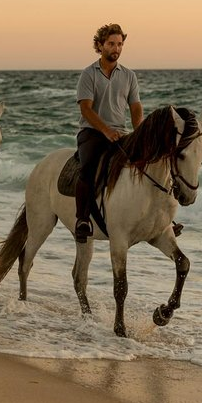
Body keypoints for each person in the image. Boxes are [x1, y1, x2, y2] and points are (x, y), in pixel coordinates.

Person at [74, 23, 143, 243]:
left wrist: (139, 131)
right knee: (88, 168)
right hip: (92, 132)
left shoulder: (129, 76)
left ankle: (158, 218)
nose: (116, 48)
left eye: (120, 44)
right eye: (111, 44)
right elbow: (86, 108)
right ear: (100, 45)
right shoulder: (88, 74)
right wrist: (105, 130)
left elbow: (135, 107)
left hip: (120, 133)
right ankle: (82, 220)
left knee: (146, 164)